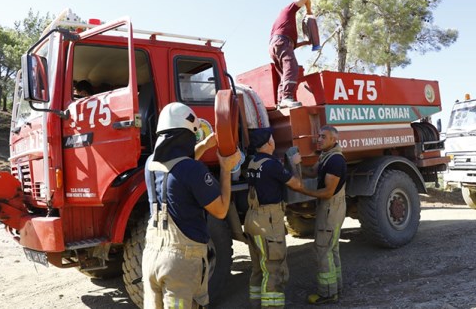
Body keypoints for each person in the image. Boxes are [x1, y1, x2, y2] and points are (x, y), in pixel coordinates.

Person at [142, 102, 241, 309]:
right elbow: (221, 210)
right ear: (186, 136)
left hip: (151, 256)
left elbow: (177, 166)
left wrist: (205, 145)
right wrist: (226, 169)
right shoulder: (193, 170)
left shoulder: (151, 163)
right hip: (179, 265)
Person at [244, 128, 303, 308]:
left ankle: (256, 304)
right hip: (268, 221)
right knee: (274, 269)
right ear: (269, 143)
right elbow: (297, 185)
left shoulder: (253, 162)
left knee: (258, 269)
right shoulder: (272, 165)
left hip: (252, 218)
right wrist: (295, 164)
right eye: (272, 138)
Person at [299, 125, 347, 305]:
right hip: (328, 208)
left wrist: (303, 190)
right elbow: (312, 172)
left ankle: (327, 293)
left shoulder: (335, 161)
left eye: (323, 137)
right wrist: (295, 166)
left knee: (322, 250)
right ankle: (336, 287)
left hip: (330, 209)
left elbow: (327, 192)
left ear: (334, 140)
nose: (318, 139)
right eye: (318, 136)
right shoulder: (325, 156)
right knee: (331, 249)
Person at [269, 0, 313, 109]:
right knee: (292, 67)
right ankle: (287, 97)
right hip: (281, 43)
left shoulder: (281, 26)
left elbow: (289, 45)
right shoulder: (288, 10)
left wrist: (306, 42)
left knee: (284, 75)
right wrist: (309, 11)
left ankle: (280, 101)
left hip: (276, 45)